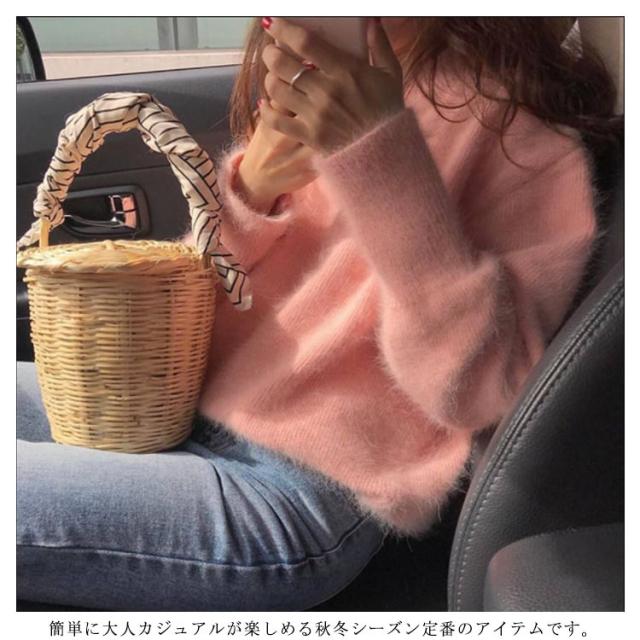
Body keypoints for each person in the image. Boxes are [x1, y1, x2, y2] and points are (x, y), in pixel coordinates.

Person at [17, 17, 620, 611]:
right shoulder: (314, 93)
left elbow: (480, 391)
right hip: (179, 404)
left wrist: (382, 156)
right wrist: (251, 191)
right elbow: (194, 320)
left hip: (297, 493)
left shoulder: (523, 141)